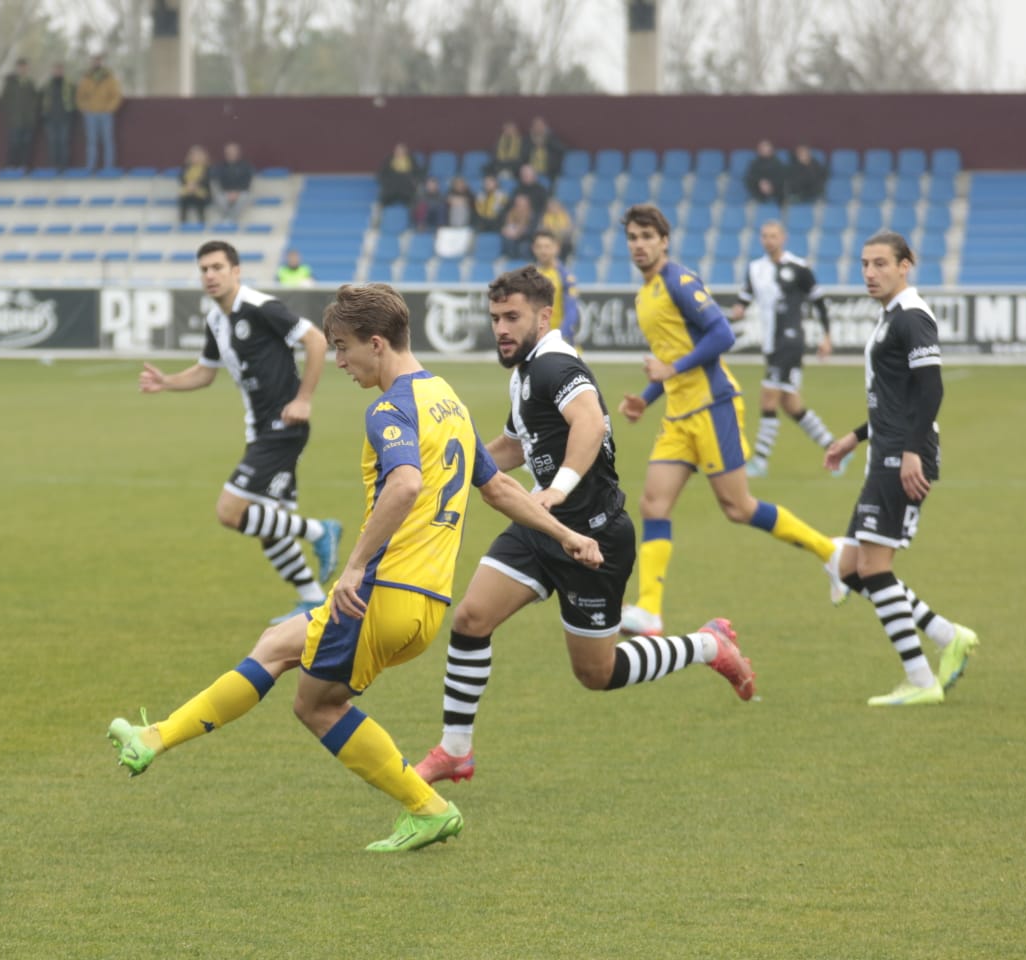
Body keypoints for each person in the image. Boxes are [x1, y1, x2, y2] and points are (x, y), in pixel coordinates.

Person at [108, 283, 607, 852]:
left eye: (343, 348)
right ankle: (154, 737)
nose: (339, 361)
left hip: (381, 592)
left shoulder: (390, 410)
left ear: (376, 343)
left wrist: (353, 567)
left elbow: (406, 483)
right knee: (277, 645)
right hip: (426, 605)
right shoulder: (448, 398)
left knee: (315, 704)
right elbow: (495, 487)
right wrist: (566, 534)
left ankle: (427, 806)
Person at [414, 267, 754, 785]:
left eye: (512, 317)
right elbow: (512, 446)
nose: (501, 328)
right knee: (471, 618)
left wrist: (561, 485)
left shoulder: (553, 362)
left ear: (543, 316)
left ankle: (708, 645)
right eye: (495, 318)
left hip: (595, 534)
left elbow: (590, 421)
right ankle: (455, 750)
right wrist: (454, 470)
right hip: (541, 526)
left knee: (597, 674)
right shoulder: (525, 371)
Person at [615, 204, 844, 637]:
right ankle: (649, 610)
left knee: (738, 508)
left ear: (664, 241)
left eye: (647, 236)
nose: (639, 245)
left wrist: (670, 371)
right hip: (678, 414)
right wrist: (646, 399)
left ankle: (828, 550)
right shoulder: (644, 296)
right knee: (652, 504)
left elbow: (722, 334)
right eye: (632, 237)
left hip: (713, 406)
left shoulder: (678, 282)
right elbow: (670, 361)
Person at [138, 241, 340, 624]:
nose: (210, 276)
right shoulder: (216, 320)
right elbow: (204, 372)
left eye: (217, 267)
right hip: (259, 428)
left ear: (236, 271)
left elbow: (315, 339)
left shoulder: (260, 307)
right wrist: (166, 382)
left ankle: (319, 530)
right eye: (204, 269)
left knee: (231, 512)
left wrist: (304, 399)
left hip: (284, 426)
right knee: (268, 525)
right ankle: (313, 599)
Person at [824, 231, 979, 706]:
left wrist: (912, 451)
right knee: (852, 569)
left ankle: (919, 680)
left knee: (871, 568)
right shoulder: (891, 316)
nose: (870, 273)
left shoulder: (912, 317)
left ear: (905, 265)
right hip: (886, 450)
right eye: (865, 264)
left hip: (902, 458)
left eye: (881, 264)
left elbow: (930, 390)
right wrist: (855, 435)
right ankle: (948, 635)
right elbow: (895, 397)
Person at [728, 220, 842, 479]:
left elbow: (819, 302)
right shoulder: (755, 269)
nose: (769, 240)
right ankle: (835, 449)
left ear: (783, 238)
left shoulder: (799, 268)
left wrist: (826, 336)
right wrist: (736, 311)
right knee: (791, 404)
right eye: (765, 236)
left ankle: (759, 460)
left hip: (789, 341)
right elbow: (744, 300)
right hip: (771, 343)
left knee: (768, 398)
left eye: (773, 236)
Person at [530, 229, 580, 344]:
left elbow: (571, 311)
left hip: (559, 340)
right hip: (535, 342)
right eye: (539, 247)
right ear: (533, 248)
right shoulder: (529, 277)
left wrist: (559, 336)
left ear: (556, 247)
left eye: (547, 246)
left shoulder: (566, 277)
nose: (543, 251)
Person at [76, 54, 122, 169]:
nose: (96, 63)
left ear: (101, 62)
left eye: (98, 61)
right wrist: (84, 108)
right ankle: (90, 166)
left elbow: (116, 95)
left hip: (105, 114)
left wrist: (109, 108)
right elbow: (80, 96)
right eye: (94, 61)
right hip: (90, 114)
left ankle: (108, 167)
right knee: (91, 142)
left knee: (108, 141)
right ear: (91, 62)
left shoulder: (109, 77)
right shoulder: (86, 78)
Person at [0, 58, 39, 170]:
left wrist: (32, 114)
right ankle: (11, 166)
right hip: (15, 120)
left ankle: (23, 166)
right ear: (17, 68)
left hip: (28, 120)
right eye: (20, 67)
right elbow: (4, 99)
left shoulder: (30, 83)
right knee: (14, 144)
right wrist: (11, 112)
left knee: (26, 145)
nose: (22, 69)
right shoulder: (10, 83)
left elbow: (35, 101)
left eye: (24, 67)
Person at [40, 63, 76, 171]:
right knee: (52, 143)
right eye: (56, 70)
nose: (58, 72)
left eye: (60, 70)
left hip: (64, 118)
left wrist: (71, 113)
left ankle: (64, 166)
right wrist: (44, 114)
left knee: (64, 142)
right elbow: (42, 100)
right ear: (52, 71)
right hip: (51, 118)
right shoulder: (47, 84)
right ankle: (53, 166)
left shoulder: (69, 84)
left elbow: (74, 99)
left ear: (63, 71)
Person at [211, 142, 255, 223]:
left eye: (233, 152)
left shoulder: (246, 165)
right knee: (218, 198)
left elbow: (247, 181)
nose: (231, 154)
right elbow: (217, 181)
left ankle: (230, 219)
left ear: (238, 153)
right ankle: (229, 218)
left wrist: (237, 192)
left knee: (244, 197)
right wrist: (228, 193)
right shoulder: (220, 166)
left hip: (241, 192)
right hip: (225, 192)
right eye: (229, 152)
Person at [377, 143, 420, 210]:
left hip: (407, 187)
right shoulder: (389, 159)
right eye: (398, 151)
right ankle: (378, 216)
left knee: (414, 201)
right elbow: (382, 173)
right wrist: (385, 182)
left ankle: (412, 217)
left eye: (402, 151)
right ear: (395, 151)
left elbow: (417, 173)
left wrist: (415, 182)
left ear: (406, 152)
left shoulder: (411, 160)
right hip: (392, 187)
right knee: (382, 200)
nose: (400, 153)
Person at [523, 116, 564, 185]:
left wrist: (547, 141)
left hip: (549, 172)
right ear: (533, 127)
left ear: (545, 127)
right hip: (532, 171)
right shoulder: (527, 139)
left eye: (541, 125)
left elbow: (562, 150)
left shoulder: (552, 138)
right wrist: (533, 145)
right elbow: (523, 156)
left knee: (556, 183)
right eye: (536, 125)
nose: (538, 128)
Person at [176, 145, 212, 224]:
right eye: (193, 155)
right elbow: (181, 178)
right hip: (188, 191)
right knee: (183, 199)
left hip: (202, 193)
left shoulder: (206, 168)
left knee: (199, 200)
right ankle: (183, 223)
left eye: (197, 156)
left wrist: (195, 185)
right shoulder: (186, 167)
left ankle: (202, 223)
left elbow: (206, 180)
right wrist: (189, 185)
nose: (195, 158)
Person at [743, 139, 785, 204]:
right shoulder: (755, 163)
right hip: (758, 191)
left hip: (776, 192)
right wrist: (760, 183)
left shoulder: (777, 163)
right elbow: (751, 177)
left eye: (767, 148)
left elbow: (781, 177)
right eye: (763, 148)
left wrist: (771, 185)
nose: (765, 150)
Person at [537, 196, 575, 260]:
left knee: (567, 246)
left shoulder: (564, 216)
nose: (553, 208)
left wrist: (559, 232)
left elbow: (569, 230)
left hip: (563, 240)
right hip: (551, 240)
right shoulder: (545, 217)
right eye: (550, 207)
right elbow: (543, 230)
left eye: (554, 206)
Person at [498, 194, 535, 260]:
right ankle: (509, 259)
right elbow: (505, 225)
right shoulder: (510, 213)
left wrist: (519, 233)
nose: (519, 205)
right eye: (517, 203)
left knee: (524, 247)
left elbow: (532, 230)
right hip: (511, 237)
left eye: (521, 203)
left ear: (527, 204)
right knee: (507, 240)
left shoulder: (532, 214)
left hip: (526, 239)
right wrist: (504, 230)